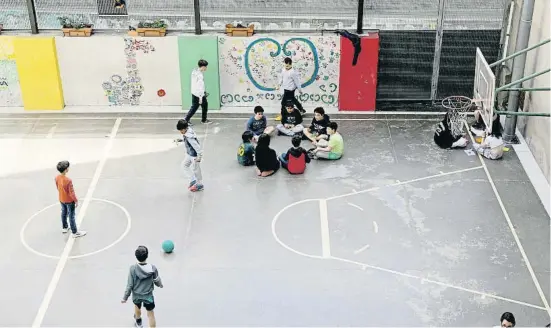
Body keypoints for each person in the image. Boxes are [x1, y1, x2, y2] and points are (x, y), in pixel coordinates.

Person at [121, 245, 163, 328]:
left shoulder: (132, 268)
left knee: (137, 307)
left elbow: (130, 285)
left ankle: (138, 321)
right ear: (147, 256)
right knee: (151, 314)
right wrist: (160, 285)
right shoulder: (152, 268)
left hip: (136, 295)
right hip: (148, 296)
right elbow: (157, 280)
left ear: (136, 256)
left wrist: (125, 297)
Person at [55, 161, 86, 238]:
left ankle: (65, 227)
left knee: (64, 212)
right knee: (71, 216)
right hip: (69, 201)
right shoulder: (68, 180)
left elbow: (57, 187)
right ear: (66, 170)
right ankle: (75, 232)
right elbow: (71, 193)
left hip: (61, 198)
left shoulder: (57, 177)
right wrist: (75, 200)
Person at [175, 119, 204, 192]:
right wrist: (181, 140)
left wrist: (199, 156)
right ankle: (193, 180)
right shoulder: (186, 132)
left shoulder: (190, 137)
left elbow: (197, 147)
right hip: (189, 154)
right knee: (184, 165)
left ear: (185, 129)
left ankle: (199, 185)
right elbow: (185, 138)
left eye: (181, 130)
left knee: (196, 171)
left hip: (194, 156)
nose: (180, 132)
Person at [184, 59, 212, 125]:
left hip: (195, 93)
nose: (206, 68)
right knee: (195, 107)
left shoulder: (194, 72)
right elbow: (200, 87)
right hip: (199, 95)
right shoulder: (199, 75)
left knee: (201, 106)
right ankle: (187, 120)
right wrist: (200, 97)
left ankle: (203, 119)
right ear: (202, 67)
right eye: (205, 66)